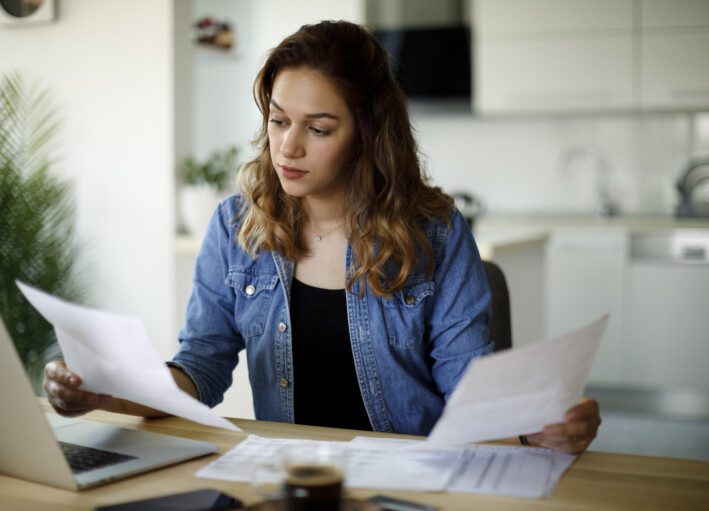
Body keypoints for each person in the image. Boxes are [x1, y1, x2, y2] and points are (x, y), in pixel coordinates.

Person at [43, 20, 600, 454]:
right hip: (287, 475)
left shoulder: (436, 234)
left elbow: (469, 394)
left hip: (411, 479)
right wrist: (110, 392)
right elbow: (202, 367)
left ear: (368, 134)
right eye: (279, 120)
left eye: (318, 128)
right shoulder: (237, 227)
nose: (288, 147)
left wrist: (539, 428)